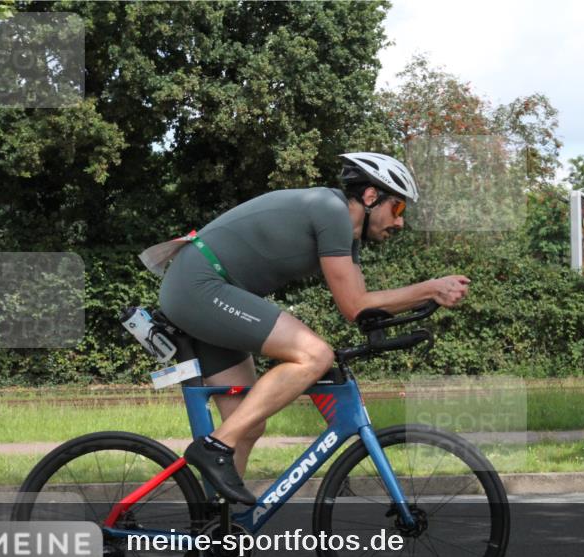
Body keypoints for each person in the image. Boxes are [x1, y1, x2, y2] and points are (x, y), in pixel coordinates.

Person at [156, 152, 470, 504]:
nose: (399, 223)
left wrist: (413, 310)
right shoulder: (330, 211)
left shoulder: (346, 237)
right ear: (371, 197)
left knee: (246, 424)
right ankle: (214, 447)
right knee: (314, 355)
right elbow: (355, 304)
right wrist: (429, 288)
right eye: (397, 209)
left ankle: (220, 536)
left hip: (210, 291)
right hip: (200, 286)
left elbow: (360, 307)